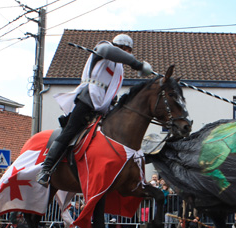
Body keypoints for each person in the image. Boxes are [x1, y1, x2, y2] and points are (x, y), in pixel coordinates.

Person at [36, 33, 153, 187]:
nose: (128, 54)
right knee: (71, 130)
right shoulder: (104, 49)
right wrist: (137, 64)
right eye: (126, 50)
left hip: (104, 104)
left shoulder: (119, 69)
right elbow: (106, 50)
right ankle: (46, 169)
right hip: (88, 98)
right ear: (120, 47)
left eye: (129, 51)